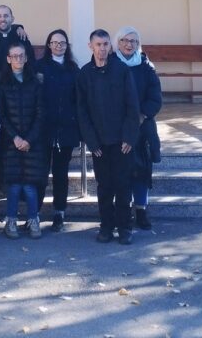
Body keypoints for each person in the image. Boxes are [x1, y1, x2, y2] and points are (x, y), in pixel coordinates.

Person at [76, 29, 140, 245]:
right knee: (104, 187)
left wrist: (129, 137)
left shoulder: (121, 71)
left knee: (123, 185)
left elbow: (133, 106)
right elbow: (82, 111)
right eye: (98, 44)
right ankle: (106, 226)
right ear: (90, 47)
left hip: (122, 142)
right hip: (99, 144)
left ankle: (125, 228)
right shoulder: (84, 74)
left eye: (105, 44)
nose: (102, 48)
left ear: (110, 47)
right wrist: (91, 141)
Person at [0, 43, 48, 239]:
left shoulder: (35, 83)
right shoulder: (2, 84)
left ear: (26, 59)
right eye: (14, 56)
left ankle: (33, 220)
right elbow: (1, 115)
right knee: (14, 185)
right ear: (8, 59)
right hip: (11, 142)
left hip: (32, 143)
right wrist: (15, 137)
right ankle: (11, 221)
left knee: (30, 185)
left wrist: (29, 139)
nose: (18, 59)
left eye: (21, 56)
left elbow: (41, 114)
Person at [114, 25, 163, 231]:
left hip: (142, 127)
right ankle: (122, 211)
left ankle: (141, 210)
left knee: (141, 172)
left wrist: (142, 115)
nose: (129, 44)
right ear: (118, 42)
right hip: (118, 128)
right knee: (121, 172)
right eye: (125, 40)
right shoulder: (110, 64)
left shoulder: (146, 66)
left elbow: (155, 97)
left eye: (133, 41)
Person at [34, 28, 80, 231]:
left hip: (66, 130)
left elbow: (78, 100)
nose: (58, 46)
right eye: (55, 42)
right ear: (49, 45)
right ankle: (34, 213)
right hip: (43, 130)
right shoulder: (39, 67)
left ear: (66, 46)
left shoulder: (73, 69)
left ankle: (59, 213)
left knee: (61, 174)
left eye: (62, 43)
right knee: (41, 174)